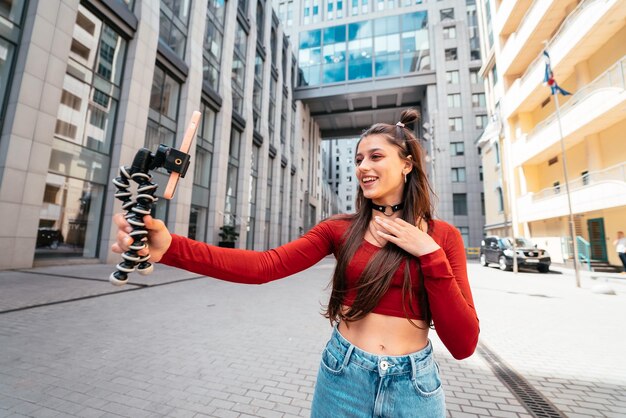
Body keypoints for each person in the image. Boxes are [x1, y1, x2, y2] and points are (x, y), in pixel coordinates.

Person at [112, 108, 479, 417]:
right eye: (358, 159)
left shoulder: (443, 237)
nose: (362, 166)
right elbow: (263, 267)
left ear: (407, 165)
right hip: (343, 378)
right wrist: (171, 248)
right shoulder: (339, 229)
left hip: (414, 387)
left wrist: (429, 254)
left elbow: (463, 344)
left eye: (376, 156)